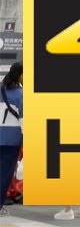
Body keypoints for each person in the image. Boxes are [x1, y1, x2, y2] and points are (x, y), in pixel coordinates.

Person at [0, 64, 21, 217]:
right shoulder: (20, 95)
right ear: (20, 75)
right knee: (5, 174)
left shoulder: (1, 90)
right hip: (11, 140)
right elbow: (24, 121)